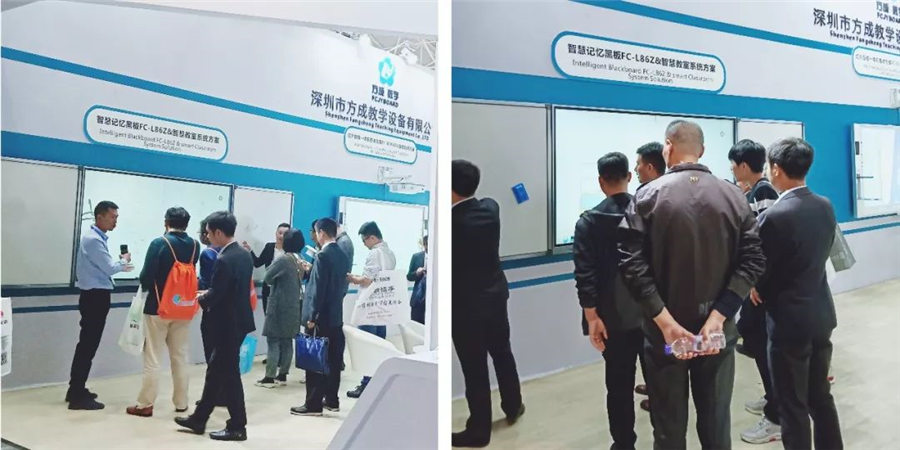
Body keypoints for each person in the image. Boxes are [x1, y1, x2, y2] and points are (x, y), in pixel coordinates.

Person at [618, 120, 766, 450]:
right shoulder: (734, 196)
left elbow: (630, 265)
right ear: (702, 150)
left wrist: (665, 323)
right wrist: (718, 316)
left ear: (667, 147)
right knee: (716, 423)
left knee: (668, 427)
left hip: (667, 339)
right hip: (716, 336)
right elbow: (754, 260)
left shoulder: (646, 196)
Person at [754, 138, 842, 450]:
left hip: (789, 323)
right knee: (820, 397)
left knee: (791, 405)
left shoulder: (775, 216)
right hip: (821, 314)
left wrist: (756, 288)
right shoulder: (825, 205)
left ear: (776, 169)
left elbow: (763, 270)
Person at [574, 152, 646, 449]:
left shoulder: (589, 222)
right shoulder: (648, 214)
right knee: (661, 382)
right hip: (654, 318)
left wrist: (591, 317)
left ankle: (623, 443)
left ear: (601, 181)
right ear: (629, 177)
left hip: (611, 321)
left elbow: (585, 274)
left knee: (618, 386)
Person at [451, 160, 524, 448]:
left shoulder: (451, 224)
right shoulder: (491, 209)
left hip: (465, 307)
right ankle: (513, 405)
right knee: (503, 353)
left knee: (475, 367)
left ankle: (479, 431)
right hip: (495, 298)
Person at [175, 211, 254, 442]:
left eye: (209, 233)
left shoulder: (224, 259)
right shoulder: (243, 254)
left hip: (227, 324)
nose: (207, 237)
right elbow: (231, 290)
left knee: (229, 375)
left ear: (219, 232)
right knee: (216, 372)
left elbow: (218, 294)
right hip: (239, 321)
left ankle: (237, 426)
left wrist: (200, 297)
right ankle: (199, 419)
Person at [728, 139, 783, 444]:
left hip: (759, 287)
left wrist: (756, 282)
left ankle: (777, 413)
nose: (732, 170)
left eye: (734, 165)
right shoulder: (753, 192)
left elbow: (767, 244)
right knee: (753, 335)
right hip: (754, 284)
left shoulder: (764, 193)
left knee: (757, 337)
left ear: (744, 165)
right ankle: (772, 396)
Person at [126, 207, 200, 418]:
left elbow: (146, 278)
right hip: (183, 307)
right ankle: (182, 403)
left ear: (166, 222)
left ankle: (145, 404)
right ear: (187, 223)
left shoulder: (159, 243)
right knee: (180, 356)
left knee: (153, 357)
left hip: (157, 308)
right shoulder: (196, 245)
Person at [67, 200, 133, 410]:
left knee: (87, 345)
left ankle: (76, 389)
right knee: (88, 346)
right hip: (94, 297)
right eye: (112, 217)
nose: (115, 221)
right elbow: (110, 268)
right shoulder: (93, 240)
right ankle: (76, 396)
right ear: (100, 217)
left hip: (95, 296)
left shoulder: (96, 238)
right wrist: (124, 260)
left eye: (116, 217)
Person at [291, 218, 351, 416]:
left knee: (315, 360)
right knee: (333, 359)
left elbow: (318, 289)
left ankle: (313, 404)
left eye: (316, 233)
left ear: (322, 233)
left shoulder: (323, 255)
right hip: (335, 315)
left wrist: (312, 316)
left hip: (321, 317)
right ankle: (332, 400)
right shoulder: (341, 254)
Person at [345, 221, 396, 398]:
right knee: (380, 345)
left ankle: (367, 384)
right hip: (383, 307)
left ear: (372, 237)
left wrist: (352, 278)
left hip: (370, 307)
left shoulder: (374, 254)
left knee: (367, 346)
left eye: (364, 240)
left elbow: (367, 280)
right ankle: (378, 382)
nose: (364, 244)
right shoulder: (389, 253)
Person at [632, 141, 665, 412]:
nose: (636, 169)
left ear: (651, 167)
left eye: (639, 164)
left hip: (656, 284)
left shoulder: (650, 197)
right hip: (653, 283)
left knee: (661, 345)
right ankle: (655, 385)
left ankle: (660, 395)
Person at [256, 228, 306, 388]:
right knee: (287, 340)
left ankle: (269, 377)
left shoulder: (283, 259)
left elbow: (267, 277)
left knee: (273, 340)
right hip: (294, 304)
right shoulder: (300, 259)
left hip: (279, 305)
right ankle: (283, 374)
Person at [196, 218, 227, 407]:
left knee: (212, 354)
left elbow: (206, 283)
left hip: (212, 308)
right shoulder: (231, 251)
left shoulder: (208, 254)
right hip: (228, 310)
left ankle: (214, 396)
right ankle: (222, 394)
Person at [242, 222, 291, 313]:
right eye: (280, 233)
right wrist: (250, 250)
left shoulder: (290, 252)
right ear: (276, 233)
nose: (281, 236)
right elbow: (257, 263)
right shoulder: (269, 247)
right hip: (268, 289)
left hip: (283, 290)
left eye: (285, 234)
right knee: (267, 315)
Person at [407, 235, 428, 324]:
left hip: (435, 300)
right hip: (418, 301)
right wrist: (417, 273)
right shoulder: (416, 257)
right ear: (424, 244)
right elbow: (409, 276)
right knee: (417, 327)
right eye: (426, 244)